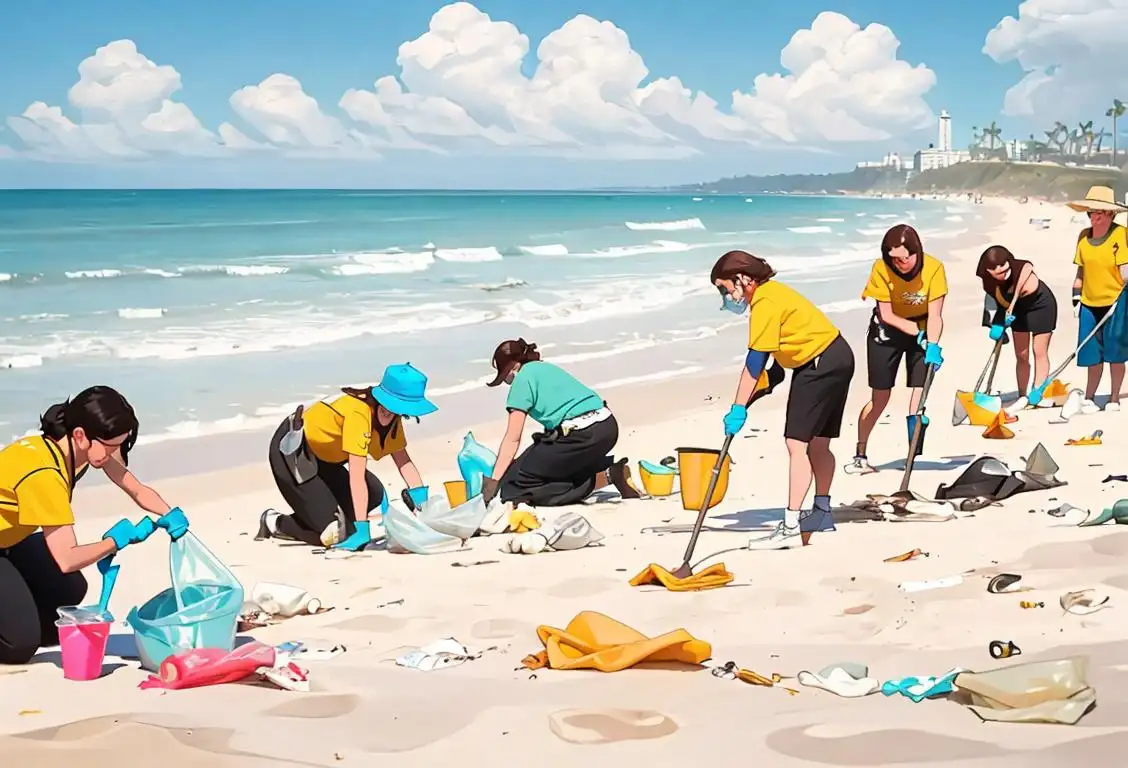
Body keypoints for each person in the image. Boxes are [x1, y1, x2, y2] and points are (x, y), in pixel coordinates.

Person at [0, 386, 185, 665]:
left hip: (10, 541)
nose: (117, 453)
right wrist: (117, 540)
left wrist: (171, 514)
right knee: (19, 646)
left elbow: (134, 488)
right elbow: (66, 558)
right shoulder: (44, 474)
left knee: (68, 592)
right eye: (112, 446)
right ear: (80, 435)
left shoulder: (78, 448)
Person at [712, 250, 855, 549]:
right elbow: (783, 345)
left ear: (743, 279)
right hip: (838, 355)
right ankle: (821, 513)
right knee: (818, 444)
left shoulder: (765, 303)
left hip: (817, 363)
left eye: (724, 289)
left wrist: (738, 408)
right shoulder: (774, 293)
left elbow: (754, 363)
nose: (725, 297)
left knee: (796, 444)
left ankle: (791, 525)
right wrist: (772, 380)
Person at [262, 363, 434, 551]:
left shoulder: (393, 420)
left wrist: (423, 505)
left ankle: (319, 514)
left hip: (324, 460)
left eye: (397, 409)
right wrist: (362, 529)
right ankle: (275, 522)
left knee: (374, 495)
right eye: (387, 406)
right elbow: (356, 476)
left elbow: (403, 461)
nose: (389, 413)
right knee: (335, 534)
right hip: (292, 451)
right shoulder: (358, 414)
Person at [480, 339, 640, 507]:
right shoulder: (546, 368)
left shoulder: (521, 381)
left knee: (514, 488)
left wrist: (494, 482)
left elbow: (512, 439)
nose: (506, 380)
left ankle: (606, 476)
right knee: (530, 466)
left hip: (581, 435)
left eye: (504, 375)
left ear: (512, 367)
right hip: (607, 427)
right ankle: (609, 470)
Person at [848, 224, 947, 474]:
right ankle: (861, 454)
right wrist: (919, 334)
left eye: (905, 258)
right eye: (894, 259)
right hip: (887, 332)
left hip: (923, 330)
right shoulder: (881, 269)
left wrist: (932, 344)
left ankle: (912, 455)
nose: (900, 264)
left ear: (917, 252)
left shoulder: (934, 268)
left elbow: (935, 315)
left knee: (918, 397)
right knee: (880, 398)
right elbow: (887, 314)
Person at [1067, 185, 1128, 413]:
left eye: (1099, 212)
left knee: (1115, 352)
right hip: (1089, 304)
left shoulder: (1120, 234)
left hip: (1116, 301)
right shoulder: (1083, 237)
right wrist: (1076, 299)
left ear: (1110, 214)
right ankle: (1090, 396)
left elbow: (1125, 271)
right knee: (1091, 352)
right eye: (1091, 212)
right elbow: (1080, 273)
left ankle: (1114, 398)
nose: (1094, 217)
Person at [976, 245, 1057, 400]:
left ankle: (1038, 391)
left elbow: (1028, 266)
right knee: (1021, 355)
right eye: (998, 273)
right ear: (988, 271)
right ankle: (1022, 395)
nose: (1004, 274)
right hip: (1017, 310)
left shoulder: (1019, 267)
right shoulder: (988, 281)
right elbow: (994, 300)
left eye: (1005, 269)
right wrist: (996, 323)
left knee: (1039, 350)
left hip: (1041, 304)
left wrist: (1012, 302)